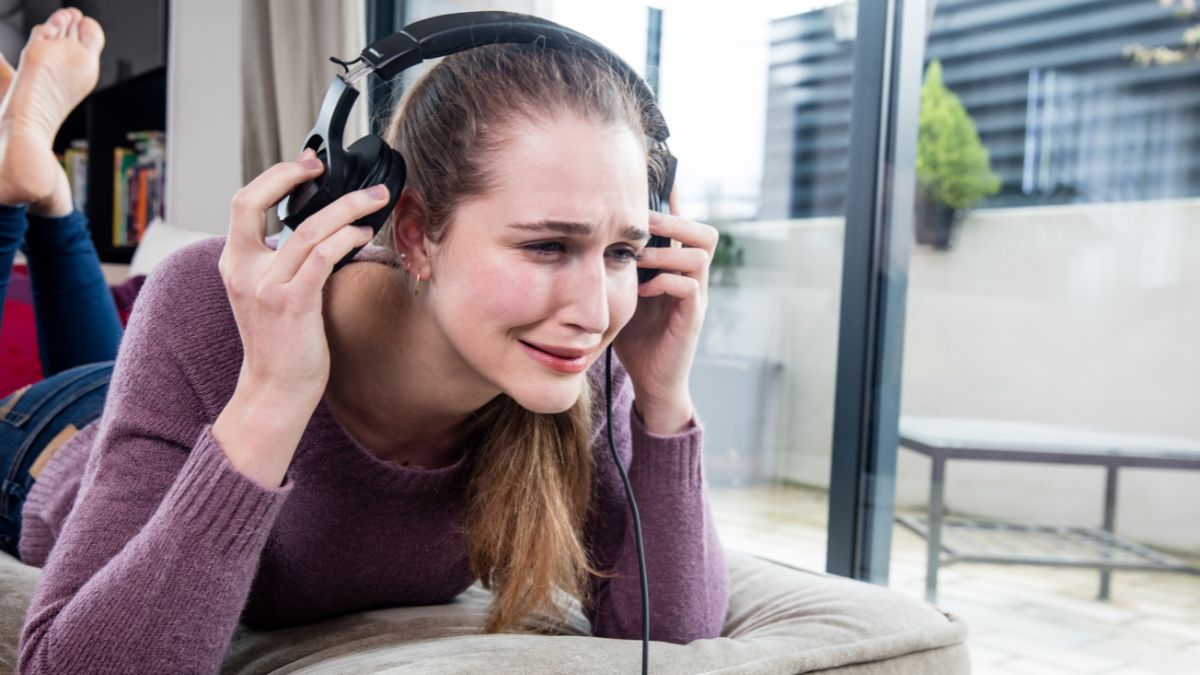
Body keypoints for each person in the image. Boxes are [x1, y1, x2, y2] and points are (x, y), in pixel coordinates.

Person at [12, 10, 728, 675]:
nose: (595, 309)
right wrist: (273, 395)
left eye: (623, 252)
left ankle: (41, 186)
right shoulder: (206, 304)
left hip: (145, 383)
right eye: (546, 245)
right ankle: (29, 189)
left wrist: (664, 402)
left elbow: (673, 634)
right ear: (414, 233)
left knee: (109, 344)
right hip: (48, 439)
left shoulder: (578, 356)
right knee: (91, 361)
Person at [0, 8, 122, 561]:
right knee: (123, 444)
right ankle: (34, 187)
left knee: (127, 419)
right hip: (77, 445)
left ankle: (40, 194)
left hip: (124, 414)